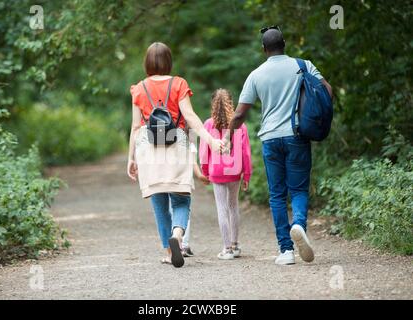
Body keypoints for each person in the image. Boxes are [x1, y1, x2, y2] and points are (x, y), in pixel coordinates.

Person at [224, 27, 332, 265]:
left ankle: (286, 251)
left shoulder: (256, 75)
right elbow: (327, 91)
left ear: (264, 49)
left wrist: (229, 136)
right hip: (297, 135)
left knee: (277, 194)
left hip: (271, 139)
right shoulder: (303, 65)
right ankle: (299, 224)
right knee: (299, 189)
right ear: (284, 43)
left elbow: (240, 113)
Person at [127, 42, 223, 268]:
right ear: (169, 61)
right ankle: (178, 236)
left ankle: (169, 252)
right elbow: (189, 116)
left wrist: (130, 158)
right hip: (176, 145)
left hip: (148, 148)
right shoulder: (178, 83)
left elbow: (135, 126)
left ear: (147, 62)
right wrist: (211, 140)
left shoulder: (139, 88)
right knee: (181, 199)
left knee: (159, 203)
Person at [199, 89, 252, 260]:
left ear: (213, 104)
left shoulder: (208, 125)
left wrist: (205, 171)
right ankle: (235, 246)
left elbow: (203, 151)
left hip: (216, 171)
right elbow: (246, 153)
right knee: (233, 206)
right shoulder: (240, 126)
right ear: (231, 104)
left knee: (221, 208)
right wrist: (247, 174)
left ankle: (227, 249)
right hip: (234, 171)